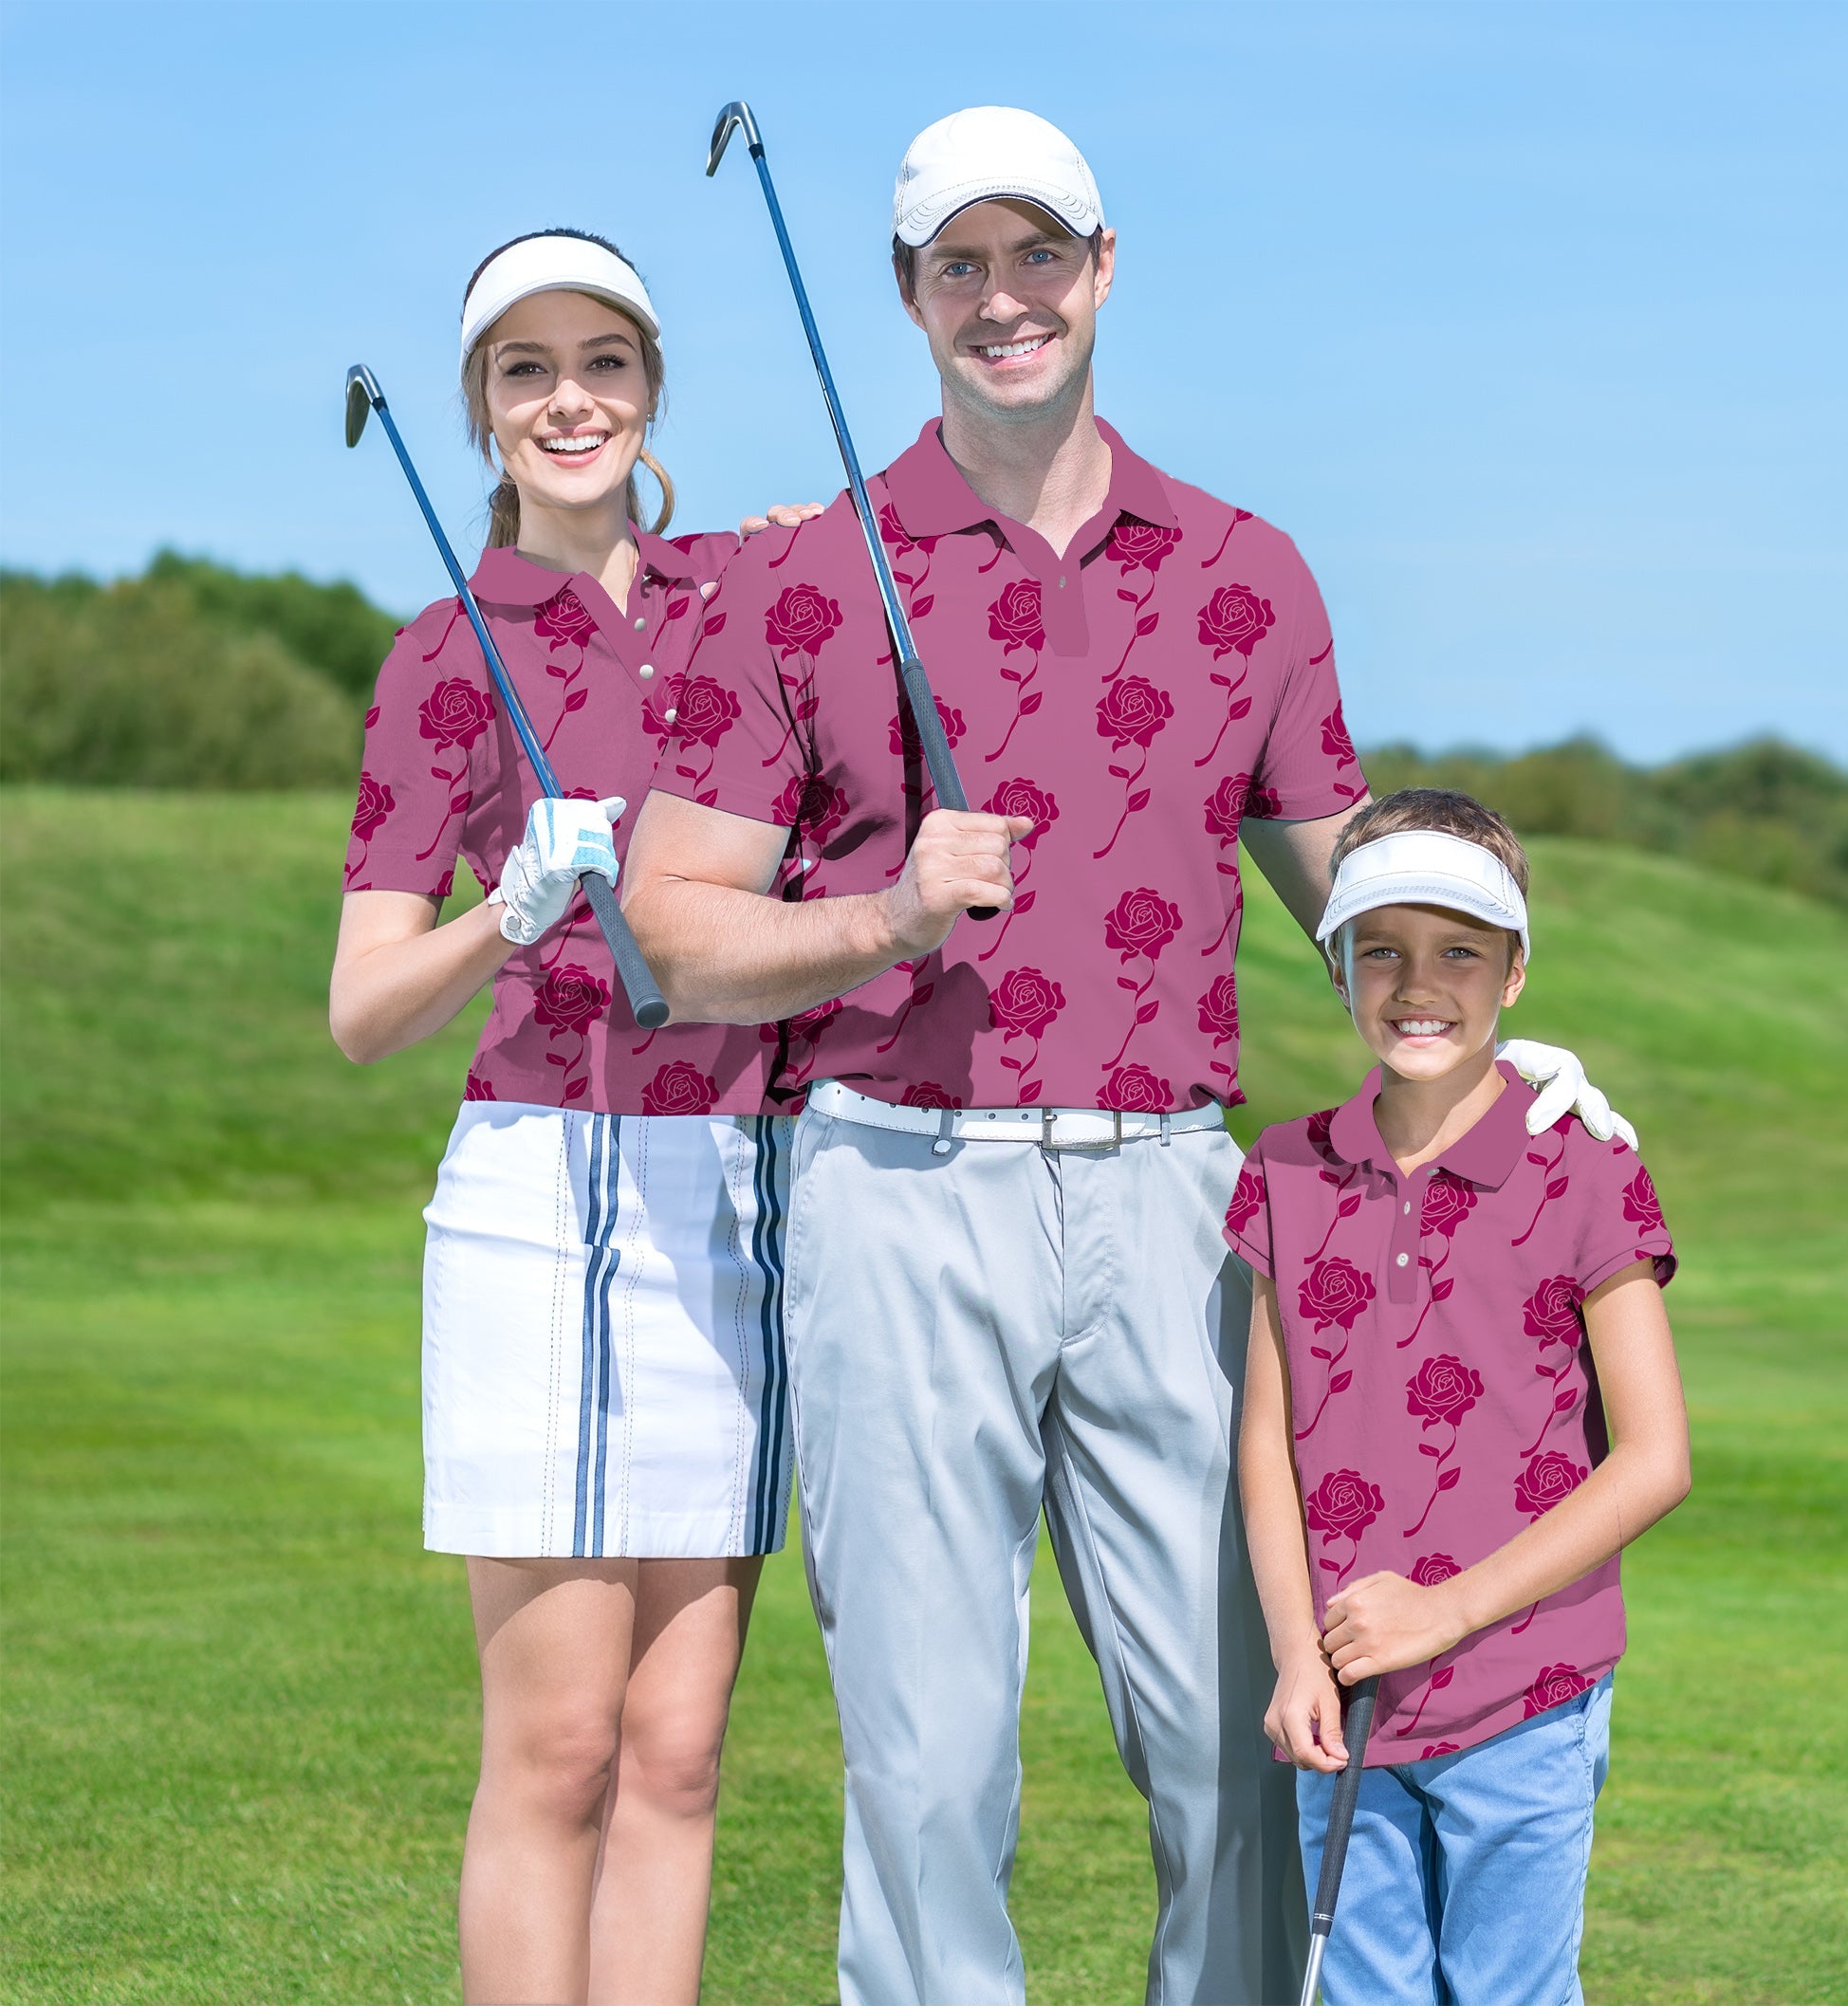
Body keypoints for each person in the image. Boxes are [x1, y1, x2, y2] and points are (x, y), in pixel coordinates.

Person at [620, 110, 1628, 2004]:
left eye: (1038, 255)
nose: (1005, 299)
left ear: (1102, 266)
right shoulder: (807, 574)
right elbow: (671, 925)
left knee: (1248, 1730)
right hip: (893, 1182)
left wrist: (1506, 1026)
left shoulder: (1251, 571)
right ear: (908, 295)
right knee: (927, 1766)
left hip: (1179, 1202)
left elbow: (1357, 898)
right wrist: (873, 922)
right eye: (959, 266)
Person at [329, 229, 819, 2006]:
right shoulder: (437, 657)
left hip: (729, 1196)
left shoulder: (753, 604)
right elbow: (362, 1010)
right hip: (540, 1189)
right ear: (480, 409)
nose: (569, 400)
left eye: (601, 362)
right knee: (558, 1751)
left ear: (650, 389)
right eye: (526, 370)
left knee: (680, 1749)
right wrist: (504, 913)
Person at [1229, 788, 1691, 2005]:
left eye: (1458, 952)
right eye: (1379, 948)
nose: (1416, 982)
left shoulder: (1586, 1168)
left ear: (1514, 975)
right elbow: (1267, 1446)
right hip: (1347, 1693)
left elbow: (1654, 1459)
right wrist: (1294, 1656)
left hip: (1527, 1689)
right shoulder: (1286, 1167)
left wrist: (1445, 1614)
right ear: (1335, 963)